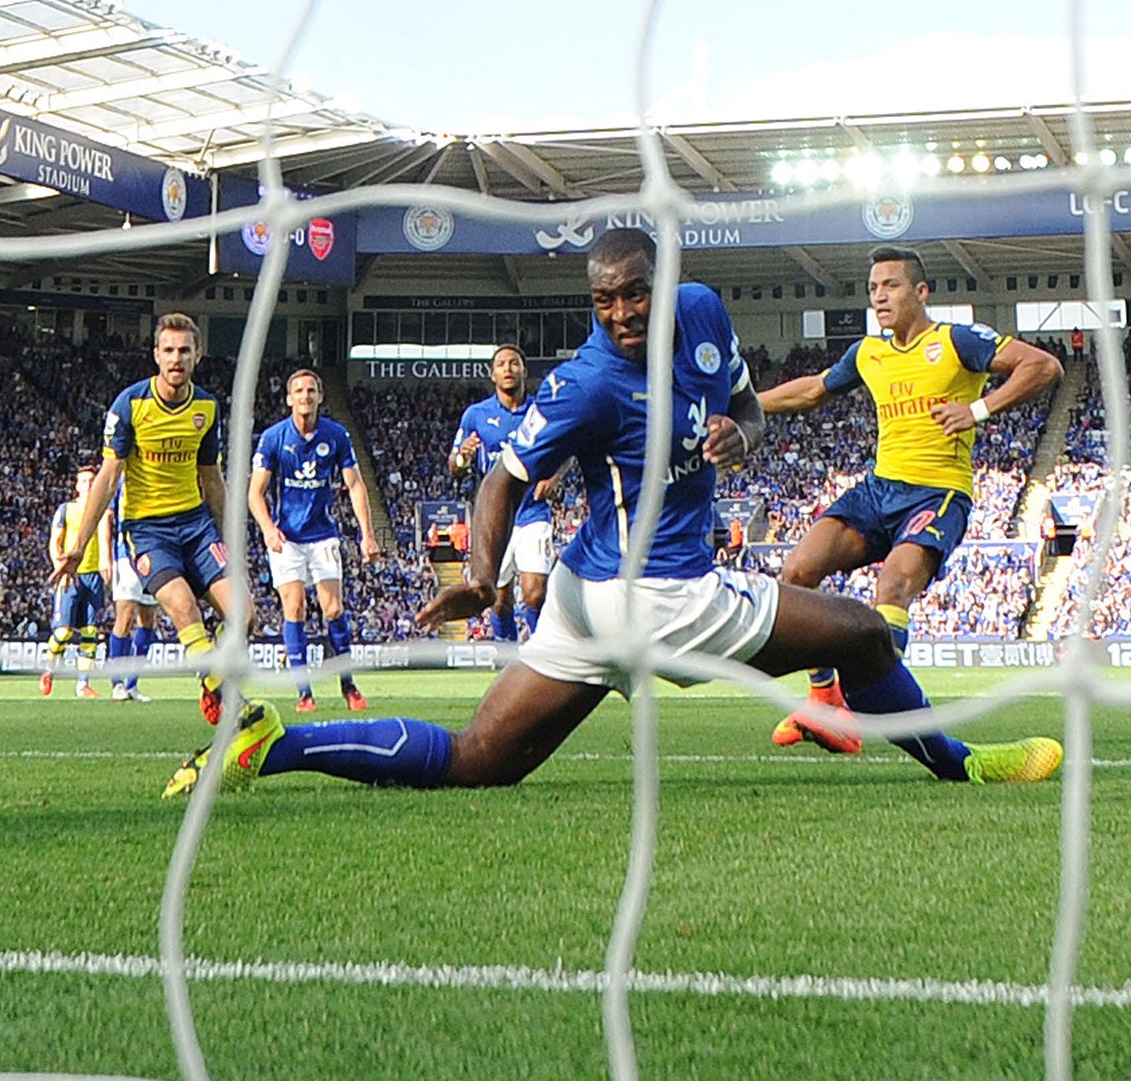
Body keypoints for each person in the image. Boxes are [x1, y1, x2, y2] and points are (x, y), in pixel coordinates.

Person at [165, 229, 1061, 798]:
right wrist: (480, 573)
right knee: (863, 633)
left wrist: (741, 436)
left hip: (587, 601)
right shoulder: (588, 383)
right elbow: (501, 481)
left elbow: (747, 407)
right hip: (660, 596)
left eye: (635, 293)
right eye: (604, 301)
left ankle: (270, 748)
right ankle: (964, 764)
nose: (623, 313)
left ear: (666, 281)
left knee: (481, 759)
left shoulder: (705, 317)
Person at [755, 245, 1061, 751]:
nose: (880, 296)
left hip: (937, 493)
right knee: (797, 573)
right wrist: (740, 404)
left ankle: (877, 709)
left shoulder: (957, 341)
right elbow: (812, 391)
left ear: (921, 292)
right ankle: (826, 701)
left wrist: (979, 409)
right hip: (878, 490)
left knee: (892, 586)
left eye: (891, 285)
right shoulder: (868, 354)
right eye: (874, 287)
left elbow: (1043, 366)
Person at [50, 313, 232, 724]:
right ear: (156, 355)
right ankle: (220, 692)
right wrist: (78, 545)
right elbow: (108, 477)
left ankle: (214, 672)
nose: (176, 358)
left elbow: (212, 478)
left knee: (246, 616)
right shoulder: (130, 405)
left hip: (197, 525)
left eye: (185, 350)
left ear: (197, 355)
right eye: (168, 350)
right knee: (184, 608)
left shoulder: (206, 406)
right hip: (148, 530)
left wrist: (230, 537)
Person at [248, 367, 377, 712]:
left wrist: (367, 535)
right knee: (295, 608)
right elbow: (255, 493)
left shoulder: (336, 435)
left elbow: (354, 485)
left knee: (333, 608)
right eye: (299, 391)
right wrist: (267, 529)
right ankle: (304, 692)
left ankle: (348, 685)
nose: (305, 396)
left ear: (320, 397)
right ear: (289, 399)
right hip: (286, 537)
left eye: (311, 390)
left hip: (323, 535)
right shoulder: (274, 437)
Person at [451, 344, 559, 644]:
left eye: (514, 363)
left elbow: (567, 450)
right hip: (495, 516)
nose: (508, 368)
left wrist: (554, 475)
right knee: (499, 599)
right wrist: (463, 456)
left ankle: (543, 658)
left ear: (524, 370)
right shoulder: (476, 415)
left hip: (532, 511)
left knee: (534, 591)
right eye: (501, 364)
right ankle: (507, 662)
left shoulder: (541, 412)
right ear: (492, 373)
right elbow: (455, 465)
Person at [42, 468, 110, 698]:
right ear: (77, 486)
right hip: (71, 575)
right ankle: (49, 668)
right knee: (63, 633)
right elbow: (55, 541)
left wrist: (106, 565)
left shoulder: (102, 510)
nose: (89, 484)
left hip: (93, 577)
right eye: (84, 481)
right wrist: (59, 567)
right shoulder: (66, 510)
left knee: (90, 632)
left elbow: (104, 538)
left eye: (92, 480)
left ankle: (83, 684)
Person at [104, 487, 156, 702]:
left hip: (156, 554)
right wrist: (105, 557)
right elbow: (106, 518)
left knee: (148, 619)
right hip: (126, 554)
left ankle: (133, 684)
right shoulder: (121, 478)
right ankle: (117, 683)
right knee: (124, 616)